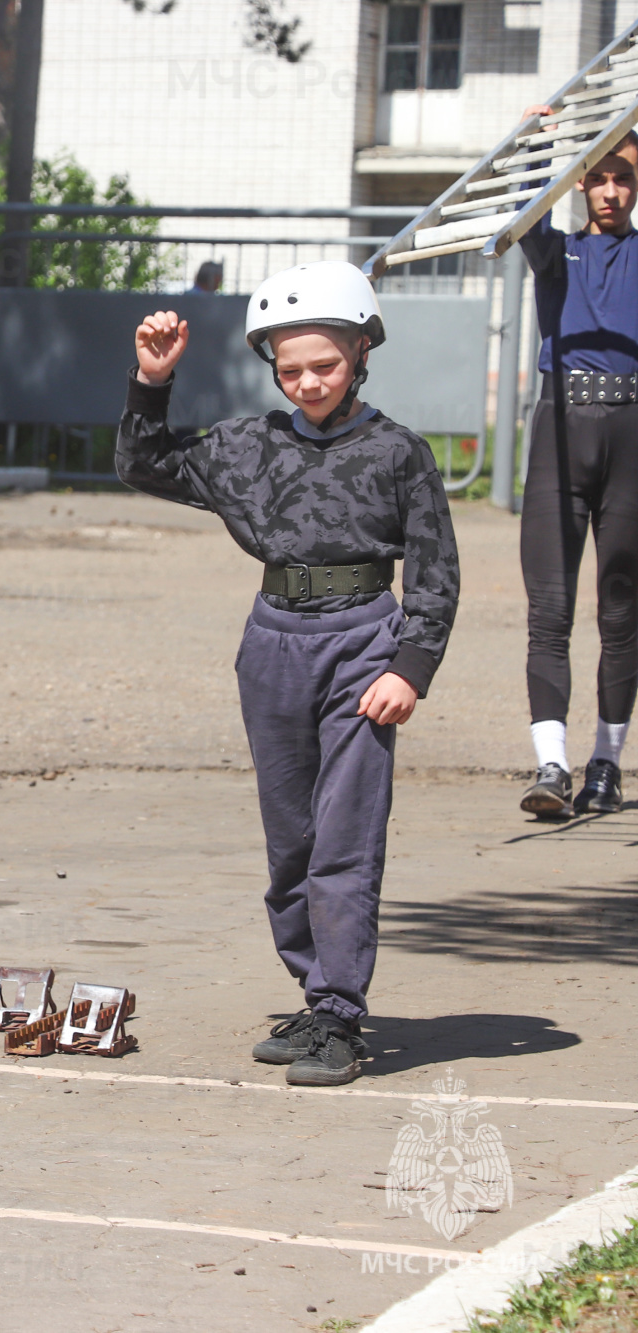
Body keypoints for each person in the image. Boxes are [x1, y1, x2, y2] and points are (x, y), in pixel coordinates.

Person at [117, 261, 460, 1086]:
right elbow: (144, 464)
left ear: (362, 357)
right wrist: (151, 381)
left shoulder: (398, 452)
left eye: (326, 364)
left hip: (362, 645)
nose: (307, 380)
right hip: (272, 645)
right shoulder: (249, 445)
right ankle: (314, 992)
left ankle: (340, 1012)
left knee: (344, 837)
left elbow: (438, 569)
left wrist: (410, 667)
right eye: (291, 366)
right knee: (291, 843)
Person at [514, 111, 638, 819]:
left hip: (631, 431)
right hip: (560, 426)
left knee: (621, 606)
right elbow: (523, 217)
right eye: (598, 178)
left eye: (624, 179)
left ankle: (607, 765)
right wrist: (536, 144)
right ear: (580, 185)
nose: (611, 192)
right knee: (549, 606)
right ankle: (551, 765)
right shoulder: (556, 254)